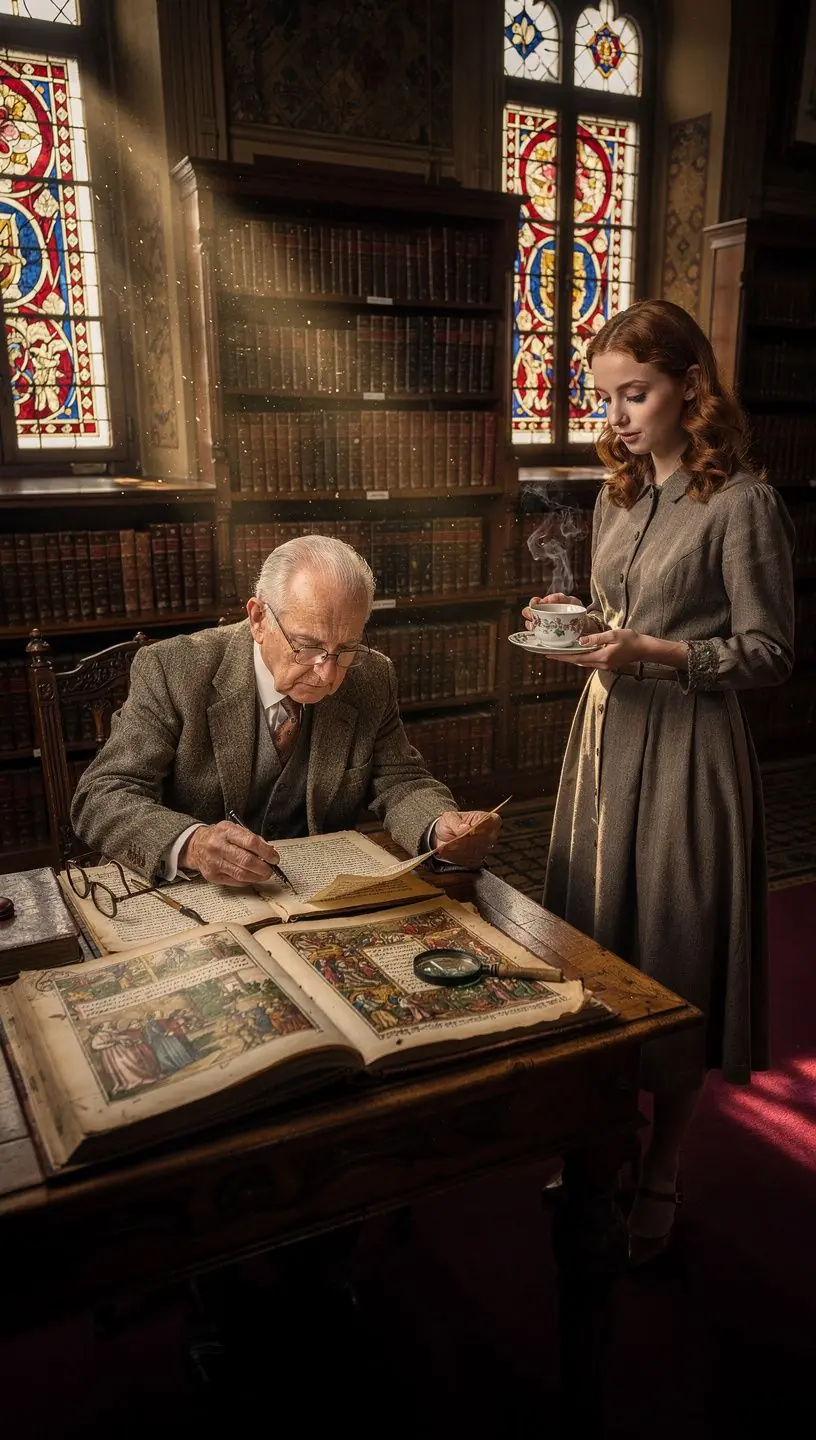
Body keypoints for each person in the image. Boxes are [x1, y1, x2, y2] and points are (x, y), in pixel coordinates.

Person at [523, 299, 795, 1266]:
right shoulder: (621, 494)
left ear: (689, 385)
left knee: (673, 952)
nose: (618, 418)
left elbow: (768, 652)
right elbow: (616, 612)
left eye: (634, 395)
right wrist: (577, 615)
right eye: (607, 400)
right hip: (604, 742)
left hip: (687, 750)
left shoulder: (743, 504)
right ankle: (600, 1141)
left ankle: (667, 1166)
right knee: (595, 941)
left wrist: (660, 652)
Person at [71, 534, 501, 881]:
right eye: (308, 646)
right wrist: (194, 845)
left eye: (346, 648)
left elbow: (401, 781)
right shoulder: (174, 668)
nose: (328, 673)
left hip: (317, 893)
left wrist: (436, 827)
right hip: (195, 894)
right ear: (259, 619)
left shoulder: (371, 676)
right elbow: (102, 796)